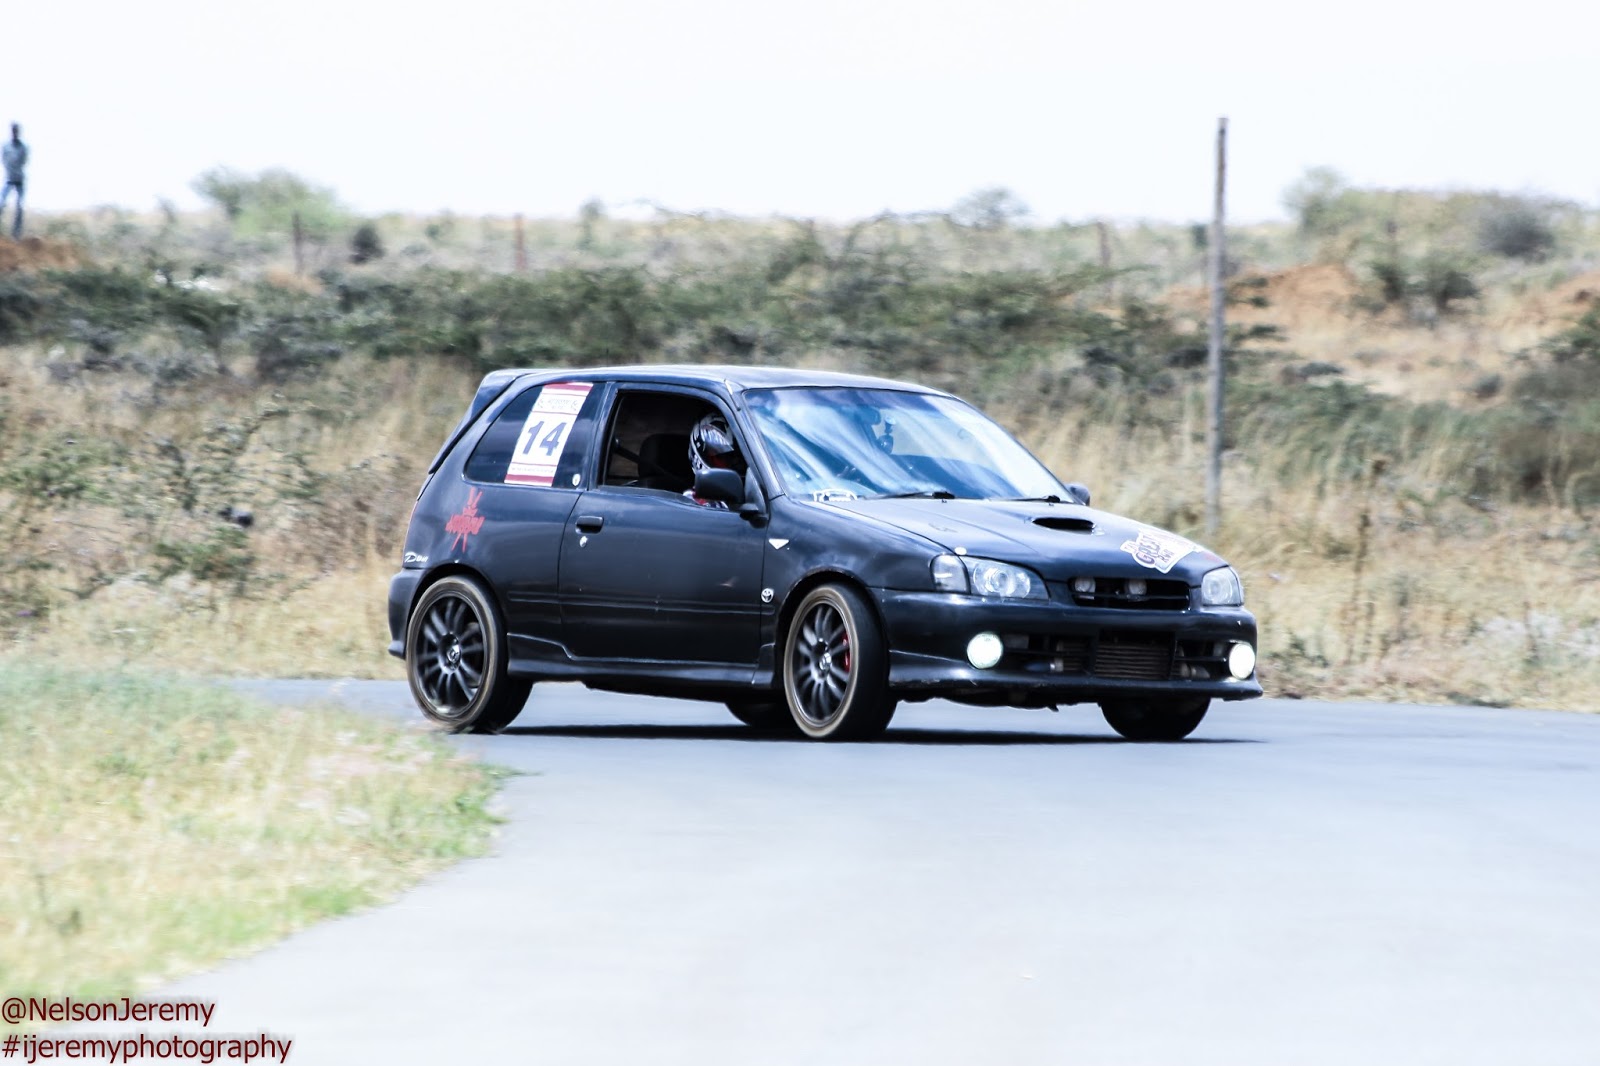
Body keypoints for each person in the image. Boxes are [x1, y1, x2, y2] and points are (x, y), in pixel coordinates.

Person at [684, 412, 746, 508]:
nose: (735, 462)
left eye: (738, 456)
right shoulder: (693, 502)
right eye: (724, 457)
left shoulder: (758, 492)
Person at [1, 124, 26, 239]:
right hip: (9, 178)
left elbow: (24, 161)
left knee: (19, 206)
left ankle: (16, 234)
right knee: (1, 203)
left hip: (19, 179)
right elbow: (4, 160)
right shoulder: (6, 146)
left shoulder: (23, 147)